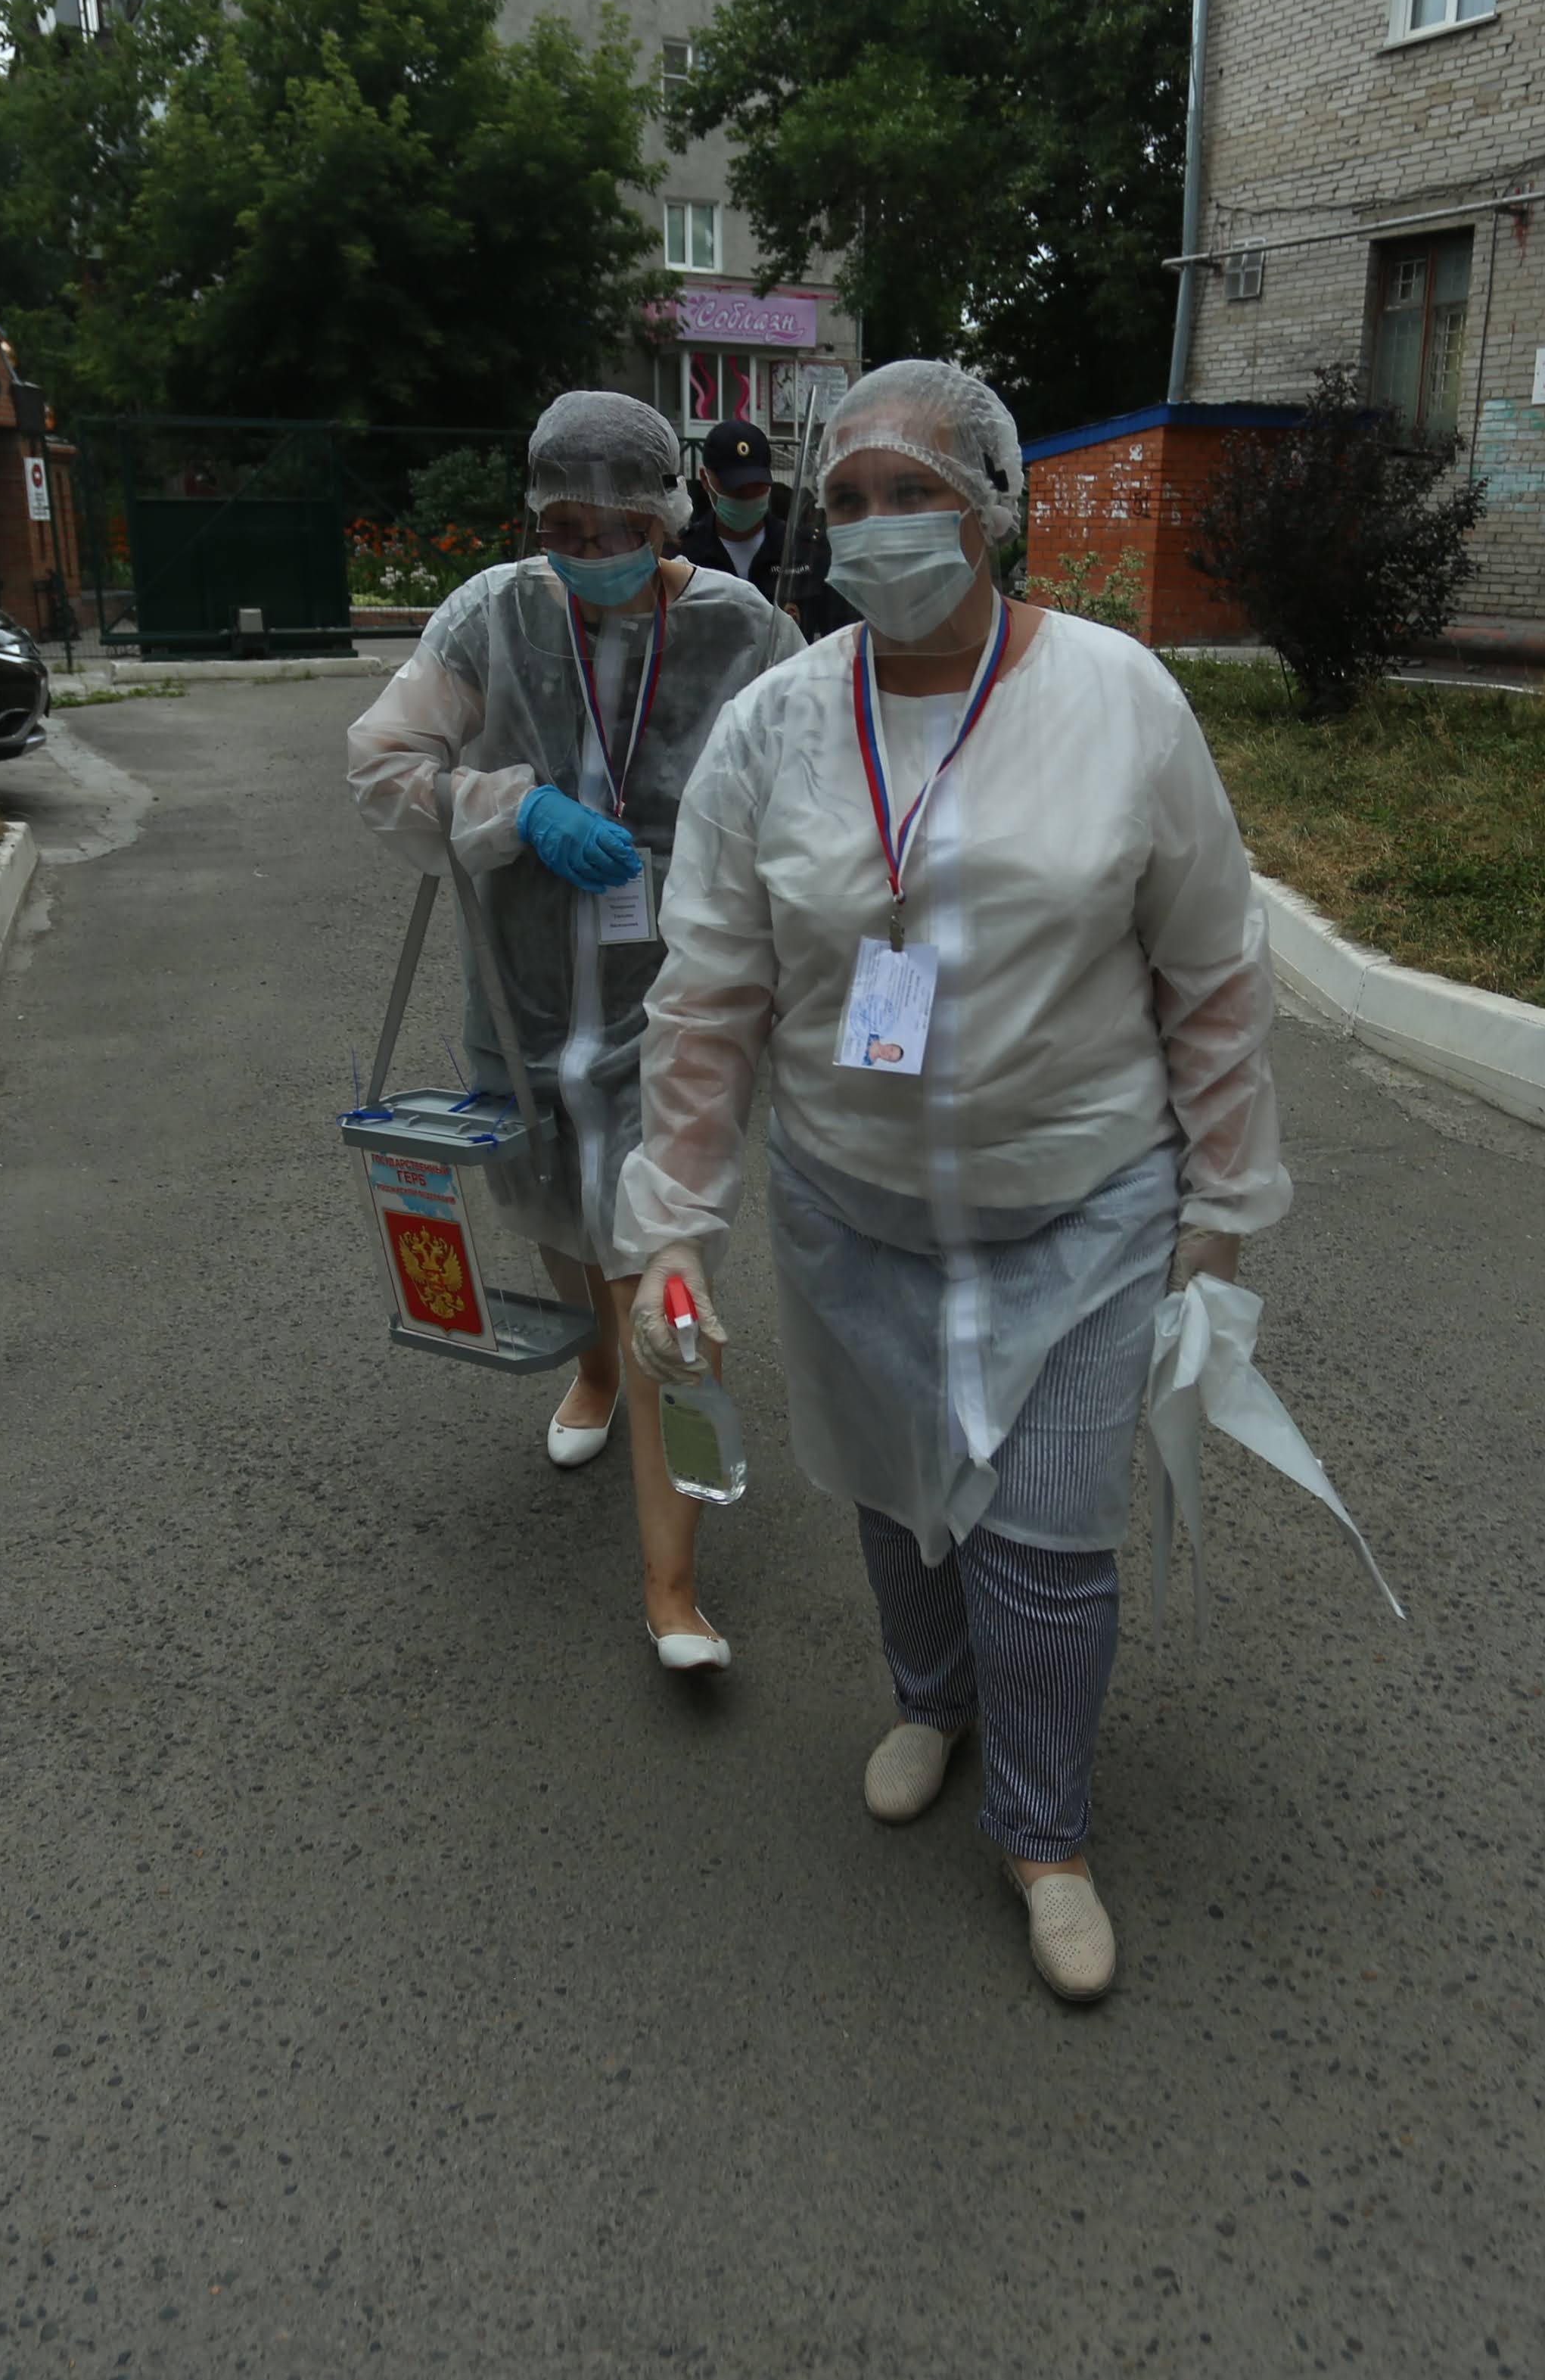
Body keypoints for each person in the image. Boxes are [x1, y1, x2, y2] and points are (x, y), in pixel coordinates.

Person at [612, 360, 1288, 2000]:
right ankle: (931, 1701)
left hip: (1081, 1208)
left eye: (912, 493)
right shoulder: (777, 724)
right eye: (847, 500)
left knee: (1046, 1543)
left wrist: (1221, 1204)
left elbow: (1211, 969)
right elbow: (709, 994)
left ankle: (1043, 1830)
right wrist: (672, 1224)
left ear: (991, 506)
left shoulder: (1119, 698)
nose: (877, 527)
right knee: (896, 1500)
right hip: (848, 1205)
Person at [346, 390, 804, 1672]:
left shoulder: (744, 631)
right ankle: (594, 1370)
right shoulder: (489, 614)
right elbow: (382, 763)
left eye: (616, 526)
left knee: (660, 1272)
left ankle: (672, 1587)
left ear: (667, 515)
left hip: (683, 1007)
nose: (589, 547)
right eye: (561, 525)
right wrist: (514, 808)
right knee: (553, 1212)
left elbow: (812, 797)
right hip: (523, 994)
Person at [673, 418, 853, 637]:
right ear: (705, 479)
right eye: (736, 489)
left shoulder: (805, 552)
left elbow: (842, 637)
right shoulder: (685, 556)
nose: (748, 497)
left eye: (757, 486)